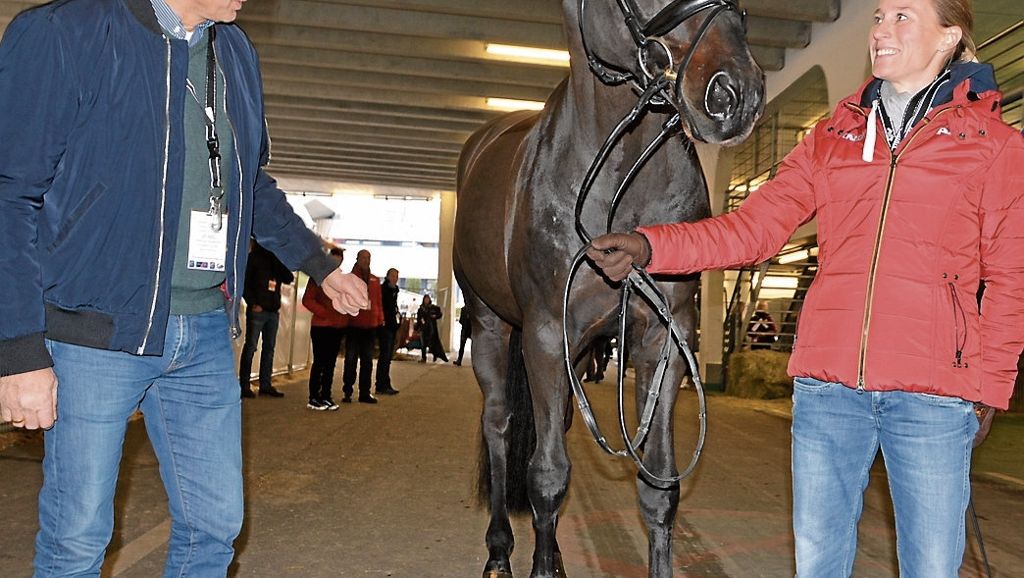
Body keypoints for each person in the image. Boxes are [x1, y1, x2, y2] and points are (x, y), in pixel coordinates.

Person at [587, 0, 1023, 574]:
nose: (881, 31)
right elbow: (753, 228)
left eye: (902, 17)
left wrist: (991, 387)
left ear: (948, 37)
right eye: (877, 16)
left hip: (933, 396)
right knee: (818, 563)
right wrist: (652, 247)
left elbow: (1011, 277)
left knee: (933, 567)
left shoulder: (994, 147)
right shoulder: (833, 137)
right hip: (828, 391)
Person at [0, 0, 369, 575]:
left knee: (214, 526)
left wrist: (320, 266)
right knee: (76, 538)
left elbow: (250, 185)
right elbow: (9, 193)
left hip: (203, 332)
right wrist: (19, 352)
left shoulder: (235, 51)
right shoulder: (64, 32)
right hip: (95, 333)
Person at [239, 241, 295, 398]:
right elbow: (245, 283)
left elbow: (288, 277)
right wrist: (253, 303)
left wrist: (278, 260)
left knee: (269, 348)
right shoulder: (253, 258)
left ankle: (265, 384)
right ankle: (244, 385)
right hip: (258, 310)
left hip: (272, 310)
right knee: (251, 347)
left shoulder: (275, 259)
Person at [303, 247, 349, 411]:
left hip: (337, 327)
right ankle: (314, 396)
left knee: (330, 363)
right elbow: (307, 300)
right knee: (320, 362)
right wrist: (325, 313)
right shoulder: (317, 277)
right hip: (321, 326)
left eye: (339, 261)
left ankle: (326, 395)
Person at [342, 250, 384, 404]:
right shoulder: (349, 279)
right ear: (358, 259)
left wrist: (380, 320)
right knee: (351, 359)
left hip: (370, 326)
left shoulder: (374, 280)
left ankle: (365, 392)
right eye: (363, 258)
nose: (366, 261)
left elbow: (378, 302)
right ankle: (347, 390)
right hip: (353, 325)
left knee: (367, 360)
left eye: (368, 258)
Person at [375, 268, 401, 395]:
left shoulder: (394, 291)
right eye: (393, 276)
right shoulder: (384, 290)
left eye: (396, 276)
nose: (395, 278)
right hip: (385, 326)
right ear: (388, 276)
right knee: (384, 356)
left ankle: (385, 382)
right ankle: (381, 384)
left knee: (388, 356)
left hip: (392, 326)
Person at [416, 295, 448, 363]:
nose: (426, 300)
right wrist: (418, 327)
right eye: (425, 299)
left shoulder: (433, 308)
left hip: (431, 328)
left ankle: (435, 354)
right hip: (423, 328)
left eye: (427, 299)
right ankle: (423, 358)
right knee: (423, 344)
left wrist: (435, 316)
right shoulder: (421, 309)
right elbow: (418, 318)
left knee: (432, 343)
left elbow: (439, 314)